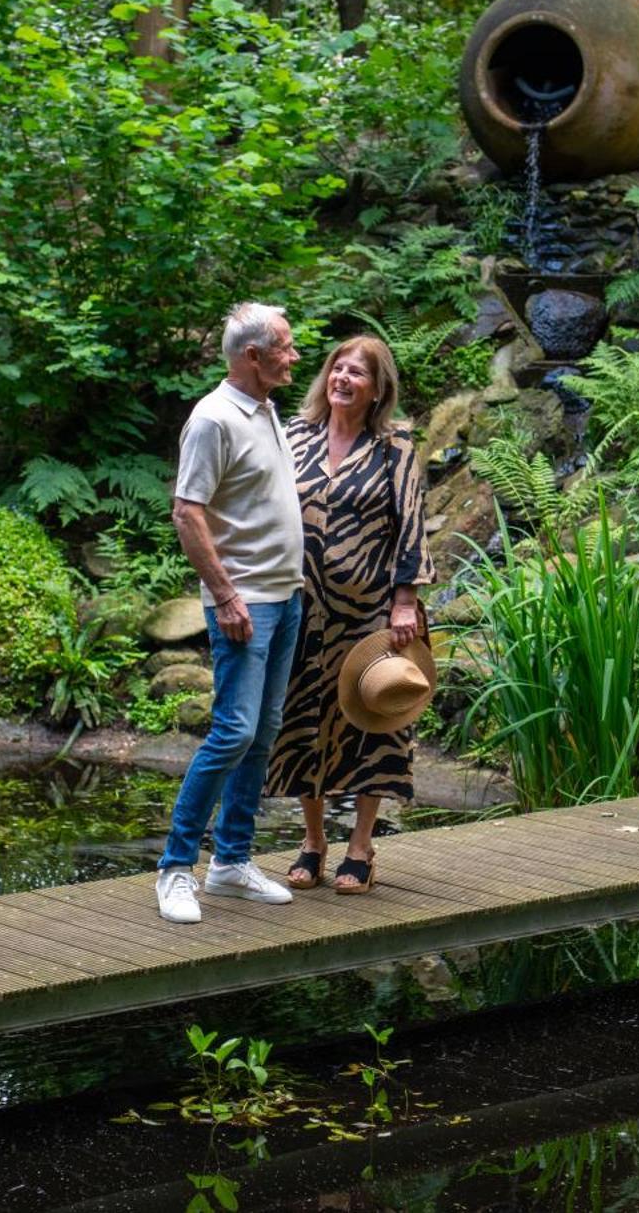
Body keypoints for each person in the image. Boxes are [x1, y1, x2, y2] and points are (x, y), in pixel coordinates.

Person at [155, 302, 307, 924]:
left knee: (262, 731)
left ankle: (231, 863)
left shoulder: (267, 409)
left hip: (285, 596)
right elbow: (188, 513)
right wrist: (224, 595)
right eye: (287, 348)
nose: (296, 357)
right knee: (234, 731)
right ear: (253, 356)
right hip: (246, 603)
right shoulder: (214, 419)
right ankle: (174, 869)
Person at [267, 334, 434, 895]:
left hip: (371, 614)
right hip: (302, 605)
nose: (343, 378)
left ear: (376, 388)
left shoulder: (396, 447)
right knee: (301, 722)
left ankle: (360, 845)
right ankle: (313, 841)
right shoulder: (293, 436)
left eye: (357, 373)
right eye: (338, 368)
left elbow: (411, 524)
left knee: (373, 723)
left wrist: (405, 599)